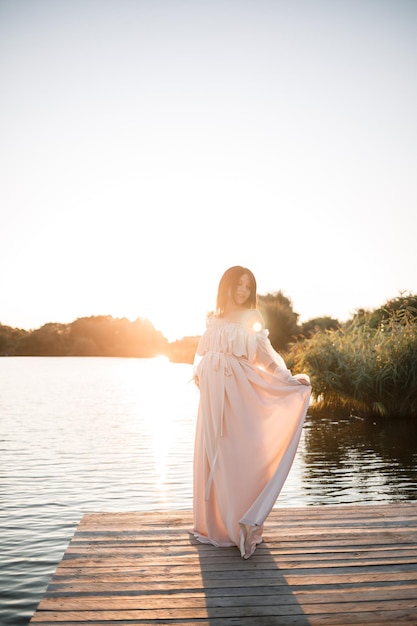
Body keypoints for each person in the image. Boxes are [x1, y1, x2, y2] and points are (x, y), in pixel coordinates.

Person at [191, 266, 311, 559]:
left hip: (239, 397)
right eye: (239, 284)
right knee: (214, 459)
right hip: (212, 401)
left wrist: (287, 379)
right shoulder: (214, 320)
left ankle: (243, 523)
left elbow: (266, 355)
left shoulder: (251, 319)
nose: (243, 290)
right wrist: (204, 376)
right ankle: (215, 527)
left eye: (248, 286)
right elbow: (200, 357)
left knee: (237, 459)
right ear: (227, 286)